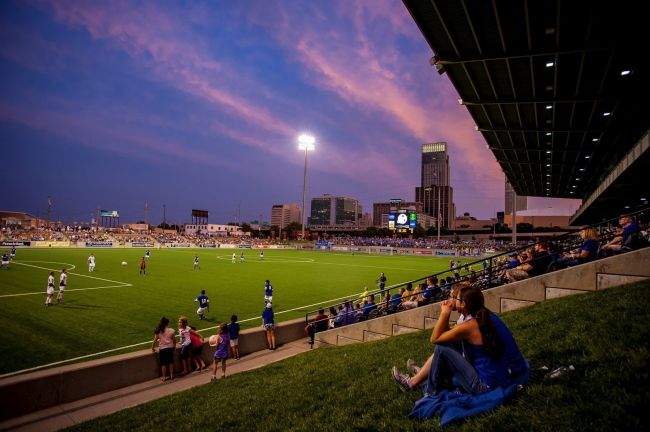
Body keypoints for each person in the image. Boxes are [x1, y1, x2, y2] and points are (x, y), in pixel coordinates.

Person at [392, 287, 521, 394]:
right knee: (448, 346)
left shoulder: (470, 325)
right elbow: (449, 335)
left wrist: (444, 313)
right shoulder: (481, 317)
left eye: (456, 298)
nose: (452, 301)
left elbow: (435, 339)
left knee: (441, 349)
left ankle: (428, 391)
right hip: (499, 379)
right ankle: (424, 375)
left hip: (485, 387)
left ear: (463, 304)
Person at [151, 317, 176, 382]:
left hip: (162, 349)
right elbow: (174, 340)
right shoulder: (171, 330)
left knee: (163, 363)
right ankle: (171, 376)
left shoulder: (159, 331)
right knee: (171, 362)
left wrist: (153, 348)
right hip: (170, 348)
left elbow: (155, 341)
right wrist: (174, 347)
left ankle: (164, 377)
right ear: (167, 323)